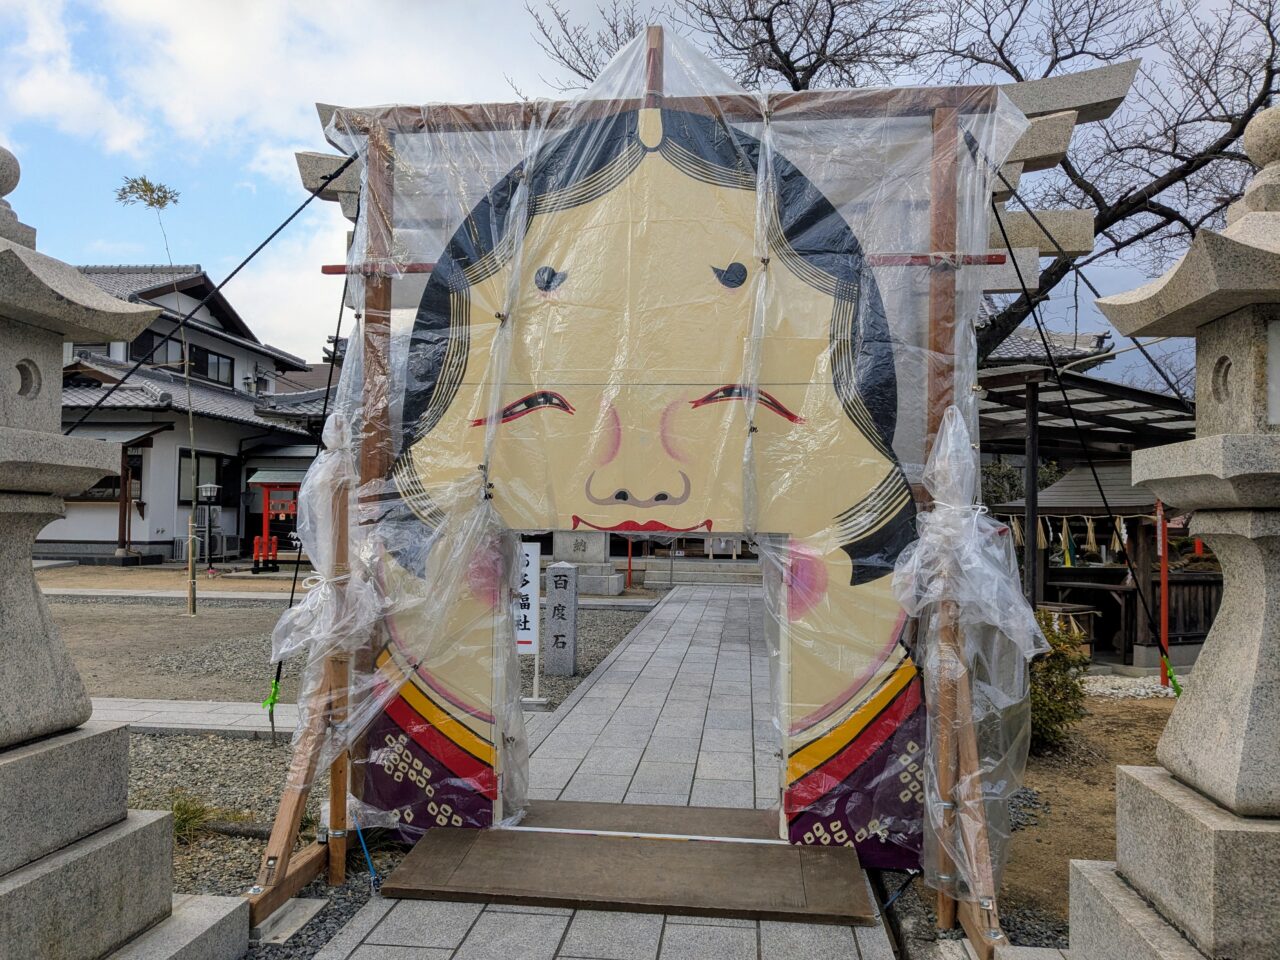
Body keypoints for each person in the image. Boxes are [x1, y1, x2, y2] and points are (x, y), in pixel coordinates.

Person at [367, 103, 925, 867]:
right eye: (541, 406)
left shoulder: (857, 505)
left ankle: (847, 834)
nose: (639, 485)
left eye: (732, 403)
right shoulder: (437, 490)